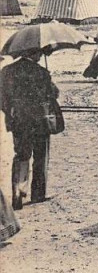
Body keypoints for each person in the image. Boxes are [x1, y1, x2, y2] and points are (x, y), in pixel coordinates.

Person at [0, 50, 62, 210]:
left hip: (19, 122)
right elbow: (53, 94)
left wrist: (12, 113)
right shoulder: (41, 72)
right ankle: (38, 193)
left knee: (21, 155)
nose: (40, 56)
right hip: (40, 121)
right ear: (34, 54)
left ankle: (18, 190)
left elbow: (2, 99)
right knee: (40, 156)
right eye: (39, 53)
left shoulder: (7, 71)